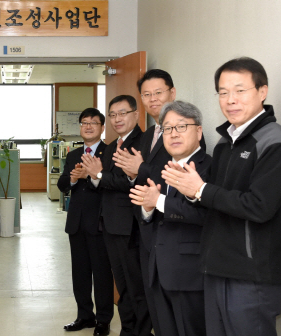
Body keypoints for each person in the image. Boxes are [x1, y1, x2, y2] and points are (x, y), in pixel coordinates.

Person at [162, 57, 281, 336]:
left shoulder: (276, 143)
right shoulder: (227, 142)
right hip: (217, 265)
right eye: (223, 92)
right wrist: (192, 192)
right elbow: (215, 199)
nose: (230, 100)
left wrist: (199, 189)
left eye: (240, 90)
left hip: (252, 273)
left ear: (262, 92)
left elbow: (259, 206)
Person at [130, 101, 210, 336]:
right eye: (167, 128)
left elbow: (205, 215)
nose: (173, 134)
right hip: (157, 271)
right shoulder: (159, 170)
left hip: (190, 274)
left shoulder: (209, 168)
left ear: (198, 131)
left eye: (181, 127)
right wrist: (147, 209)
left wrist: (159, 202)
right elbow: (149, 214)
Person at [112, 69, 177, 335]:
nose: (152, 100)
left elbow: (173, 179)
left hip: (169, 228)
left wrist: (140, 169)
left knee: (167, 303)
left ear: (172, 93)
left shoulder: (182, 129)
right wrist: (133, 174)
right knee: (147, 294)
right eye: (147, 95)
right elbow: (141, 179)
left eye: (158, 93)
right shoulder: (150, 134)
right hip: (144, 226)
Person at [81, 95, 151, 336]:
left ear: (136, 114)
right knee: (122, 286)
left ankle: (139, 331)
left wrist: (99, 175)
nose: (117, 119)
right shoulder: (111, 146)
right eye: (112, 115)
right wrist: (94, 176)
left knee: (135, 286)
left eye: (123, 113)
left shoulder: (143, 143)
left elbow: (131, 182)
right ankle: (128, 329)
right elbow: (106, 182)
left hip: (130, 227)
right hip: (110, 225)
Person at [57, 108, 113, 334]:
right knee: (79, 273)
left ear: (102, 127)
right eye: (84, 123)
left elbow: (111, 186)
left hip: (100, 222)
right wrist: (71, 178)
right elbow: (62, 185)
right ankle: (84, 316)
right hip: (76, 223)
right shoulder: (73, 154)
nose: (88, 126)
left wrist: (90, 176)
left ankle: (103, 320)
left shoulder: (110, 153)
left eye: (93, 123)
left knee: (101, 274)